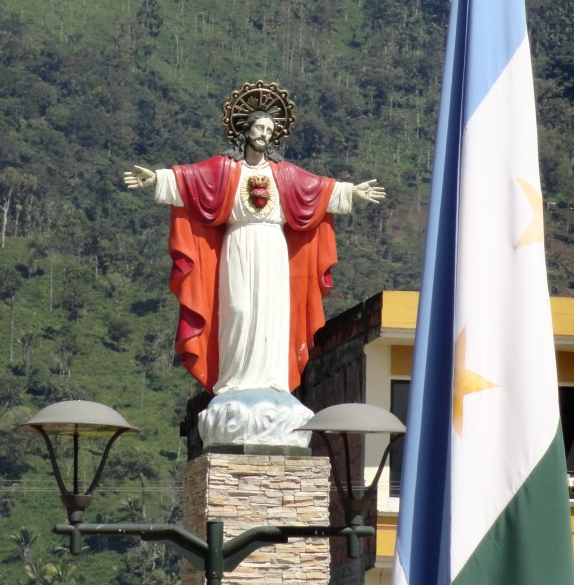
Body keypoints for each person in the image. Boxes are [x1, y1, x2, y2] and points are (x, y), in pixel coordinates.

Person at [123, 82, 385, 397]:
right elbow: (190, 181)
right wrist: (158, 178)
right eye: (260, 127)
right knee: (240, 309)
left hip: (273, 247)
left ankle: (272, 380)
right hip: (239, 243)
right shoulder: (225, 169)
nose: (264, 134)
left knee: (272, 312)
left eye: (270, 130)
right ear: (246, 130)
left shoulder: (283, 173)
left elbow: (317, 190)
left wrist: (351, 191)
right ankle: (234, 379)